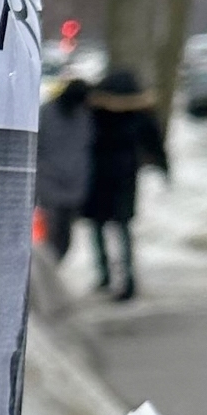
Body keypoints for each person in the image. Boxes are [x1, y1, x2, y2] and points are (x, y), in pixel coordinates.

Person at [80, 66, 169, 301]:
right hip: (125, 175)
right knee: (122, 228)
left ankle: (105, 274)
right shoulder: (140, 114)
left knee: (98, 227)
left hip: (98, 174)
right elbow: (154, 141)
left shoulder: (96, 111)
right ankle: (127, 280)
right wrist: (163, 166)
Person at [34, 73, 93, 262]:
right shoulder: (49, 113)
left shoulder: (83, 115)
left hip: (67, 181)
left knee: (63, 232)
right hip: (53, 180)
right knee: (53, 230)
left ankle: (54, 264)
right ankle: (50, 265)